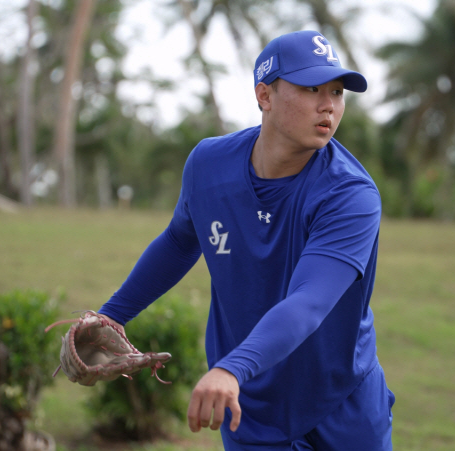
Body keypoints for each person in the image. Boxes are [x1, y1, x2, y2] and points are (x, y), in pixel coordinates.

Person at [98, 30, 394, 450]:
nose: (329, 104)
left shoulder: (349, 195)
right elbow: (181, 241)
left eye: (337, 91)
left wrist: (231, 368)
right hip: (250, 406)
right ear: (264, 95)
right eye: (311, 88)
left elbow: (309, 302)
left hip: (341, 405)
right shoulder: (208, 165)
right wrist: (111, 317)